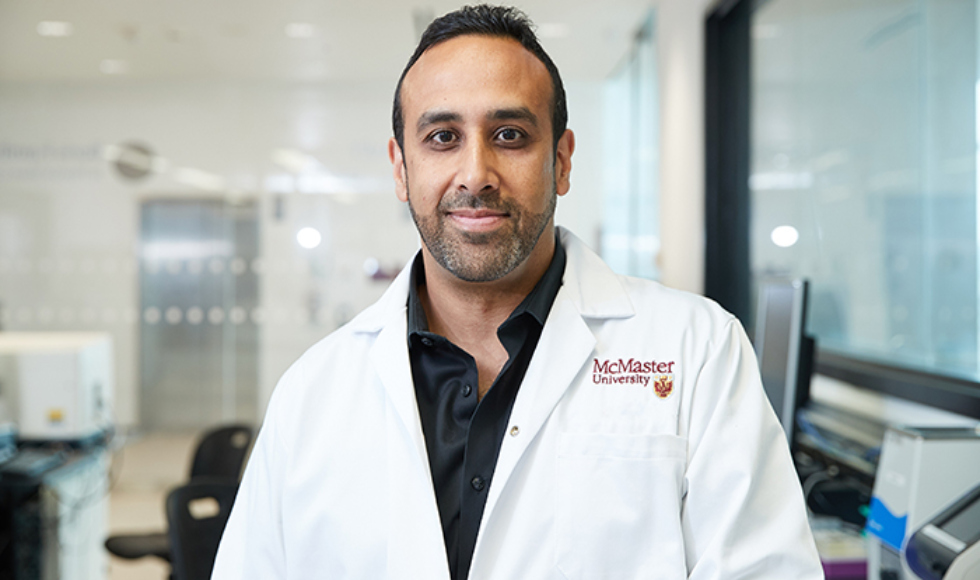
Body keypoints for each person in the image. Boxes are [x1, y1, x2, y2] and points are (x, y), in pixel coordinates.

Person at [211, 5, 823, 579]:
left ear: (561, 159)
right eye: (443, 137)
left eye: (509, 135)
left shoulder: (699, 352)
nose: (476, 174)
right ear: (401, 167)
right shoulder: (311, 393)